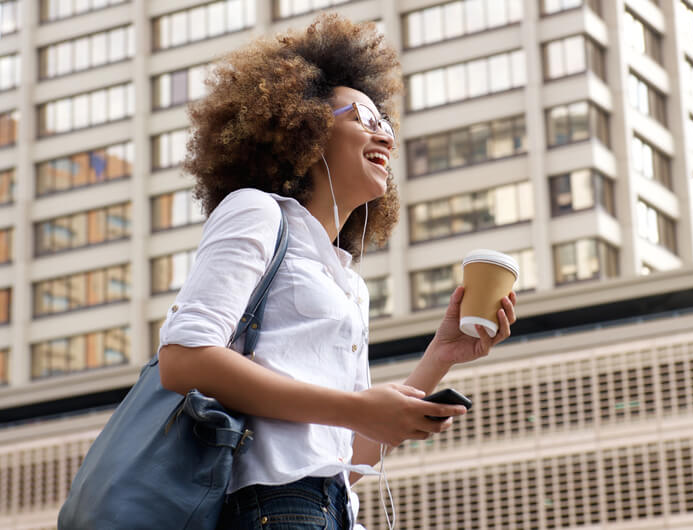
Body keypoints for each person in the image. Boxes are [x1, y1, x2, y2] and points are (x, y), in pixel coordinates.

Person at [157, 13, 517, 530]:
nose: (385, 137)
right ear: (304, 126)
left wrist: (441, 355)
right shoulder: (257, 212)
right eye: (364, 119)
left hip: (330, 513)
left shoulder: (348, 283)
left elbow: (345, 463)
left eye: (385, 124)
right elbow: (183, 359)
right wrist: (355, 409)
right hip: (271, 511)